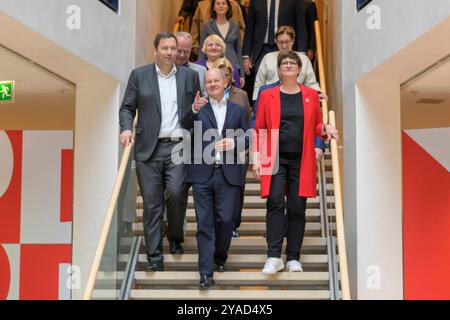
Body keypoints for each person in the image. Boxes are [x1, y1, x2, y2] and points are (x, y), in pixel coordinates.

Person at [119, 32, 200, 272]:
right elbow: (127, 107)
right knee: (152, 204)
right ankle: (154, 256)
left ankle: (174, 236)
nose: (169, 52)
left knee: (175, 194)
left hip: (178, 146)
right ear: (155, 50)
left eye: (173, 48)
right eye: (164, 48)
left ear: (178, 51)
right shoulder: (139, 76)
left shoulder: (190, 77)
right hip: (148, 149)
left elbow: (194, 111)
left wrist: (196, 109)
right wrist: (125, 129)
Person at [252, 51, 338, 275]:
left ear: (300, 69)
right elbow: (259, 127)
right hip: (274, 157)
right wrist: (256, 157)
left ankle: (293, 258)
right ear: (279, 69)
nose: (289, 65)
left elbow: (317, 125)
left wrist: (326, 129)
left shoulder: (311, 94)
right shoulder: (267, 94)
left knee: (298, 207)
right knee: (275, 202)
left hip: (302, 158)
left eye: (293, 63)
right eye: (284, 63)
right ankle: (273, 256)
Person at [186, 68, 249, 289]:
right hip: (202, 173)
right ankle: (205, 272)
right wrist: (192, 109)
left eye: (216, 81)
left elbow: (248, 137)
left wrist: (235, 143)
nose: (212, 84)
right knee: (204, 224)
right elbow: (183, 130)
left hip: (229, 173)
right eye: (208, 81)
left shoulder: (238, 110)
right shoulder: (198, 109)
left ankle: (220, 257)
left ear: (225, 82)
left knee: (226, 220)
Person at [213, 58, 251, 238]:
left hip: (237, 151)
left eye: (226, 73)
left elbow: (247, 123)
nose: (224, 77)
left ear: (231, 76)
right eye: (220, 73)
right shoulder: (207, 95)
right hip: (210, 151)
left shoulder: (241, 95)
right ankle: (217, 224)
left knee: (237, 189)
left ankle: (233, 224)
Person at [253, 26, 320, 102]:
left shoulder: (304, 59)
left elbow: (311, 83)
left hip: (298, 100)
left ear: (293, 41)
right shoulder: (267, 58)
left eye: (287, 42)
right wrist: (256, 103)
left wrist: (318, 94)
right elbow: (259, 84)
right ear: (276, 42)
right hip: (270, 101)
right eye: (281, 42)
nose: (284, 45)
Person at [199, 0, 245, 88]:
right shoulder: (207, 26)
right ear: (214, 7)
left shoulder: (235, 26)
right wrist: (199, 68)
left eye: (224, 3)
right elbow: (202, 49)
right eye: (218, 3)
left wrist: (242, 74)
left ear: (228, 7)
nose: (221, 6)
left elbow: (239, 50)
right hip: (213, 67)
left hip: (233, 67)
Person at [176, 31, 207, 97]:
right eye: (179, 51)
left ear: (190, 50)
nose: (182, 55)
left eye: (186, 52)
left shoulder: (201, 71)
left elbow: (206, 95)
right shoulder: (163, 70)